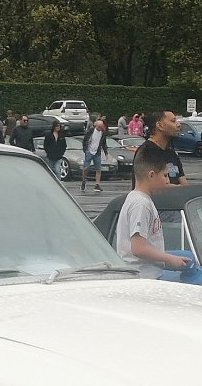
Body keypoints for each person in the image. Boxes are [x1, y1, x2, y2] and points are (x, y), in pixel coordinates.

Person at [113, 142, 191, 278]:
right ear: (151, 175)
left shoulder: (143, 200)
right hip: (141, 278)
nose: (168, 181)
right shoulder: (140, 204)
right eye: (165, 175)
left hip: (147, 276)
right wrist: (170, 259)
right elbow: (138, 248)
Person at [131, 109, 188, 188]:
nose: (178, 125)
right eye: (173, 121)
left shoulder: (171, 153)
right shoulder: (146, 152)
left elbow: (184, 185)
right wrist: (179, 187)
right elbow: (155, 187)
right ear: (160, 125)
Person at [80, 116, 108, 193]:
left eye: (102, 127)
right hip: (89, 151)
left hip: (97, 153)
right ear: (96, 126)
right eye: (99, 127)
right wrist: (85, 150)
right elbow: (85, 140)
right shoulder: (91, 131)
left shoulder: (103, 133)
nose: (101, 128)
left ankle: (97, 184)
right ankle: (83, 180)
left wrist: (106, 153)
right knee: (86, 168)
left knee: (98, 169)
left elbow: (103, 143)